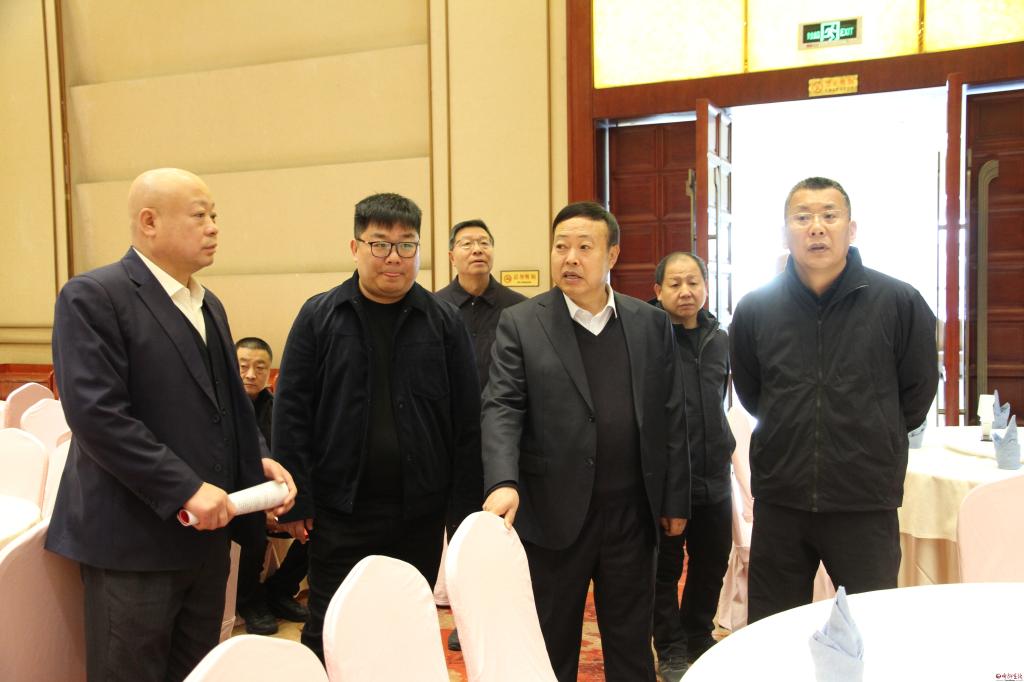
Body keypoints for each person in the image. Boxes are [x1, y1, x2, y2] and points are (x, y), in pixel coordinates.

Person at [46, 168, 297, 682]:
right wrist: (183, 487)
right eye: (200, 215)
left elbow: (230, 405)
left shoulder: (207, 303)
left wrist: (257, 460)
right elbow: (97, 415)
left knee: (195, 670)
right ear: (149, 222)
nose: (213, 227)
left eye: (215, 216)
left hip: (206, 538)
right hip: (132, 541)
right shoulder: (95, 295)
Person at [482, 201, 691, 682]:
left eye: (584, 247)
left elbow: (671, 413)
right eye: (561, 247)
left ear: (612, 255)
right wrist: (503, 480)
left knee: (631, 647)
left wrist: (674, 497)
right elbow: (502, 407)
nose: (570, 258)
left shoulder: (649, 322)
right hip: (552, 514)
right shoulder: (522, 322)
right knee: (551, 645)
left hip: (631, 514)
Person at [273, 192, 483, 661]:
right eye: (380, 244)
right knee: (330, 629)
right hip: (340, 510)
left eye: (407, 245)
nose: (394, 257)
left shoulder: (444, 321)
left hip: (419, 513)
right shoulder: (320, 316)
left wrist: (463, 514)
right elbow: (291, 412)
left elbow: (467, 422)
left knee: (404, 628)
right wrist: (297, 499)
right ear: (355, 247)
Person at [729, 176, 938, 623]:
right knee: (771, 626)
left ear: (851, 228)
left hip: (864, 497)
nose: (816, 227)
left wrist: (871, 432)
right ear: (785, 232)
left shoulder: (898, 301)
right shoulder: (755, 308)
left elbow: (917, 392)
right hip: (782, 496)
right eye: (802, 217)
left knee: (871, 625)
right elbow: (752, 392)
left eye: (829, 215)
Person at [435, 218, 526, 652]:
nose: (477, 249)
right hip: (455, 443)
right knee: (462, 533)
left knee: (507, 532)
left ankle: (508, 614)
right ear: (451, 254)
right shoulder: (434, 308)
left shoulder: (519, 309)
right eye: (467, 243)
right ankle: (467, 617)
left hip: (508, 441)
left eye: (484, 242)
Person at [649, 252, 734, 680]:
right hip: (667, 479)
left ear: (705, 286)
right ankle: (670, 647)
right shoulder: (647, 338)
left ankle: (697, 634)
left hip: (714, 473)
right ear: (658, 290)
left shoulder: (720, 338)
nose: (686, 292)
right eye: (675, 284)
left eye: (694, 282)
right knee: (664, 569)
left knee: (712, 561)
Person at [234, 337, 310, 635]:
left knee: (318, 522)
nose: (250, 374)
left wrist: (289, 505)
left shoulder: (279, 408)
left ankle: (280, 589)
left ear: (270, 373)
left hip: (276, 496)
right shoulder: (221, 409)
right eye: (243, 366)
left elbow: (291, 457)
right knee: (251, 526)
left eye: (260, 367)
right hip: (238, 499)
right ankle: (249, 600)